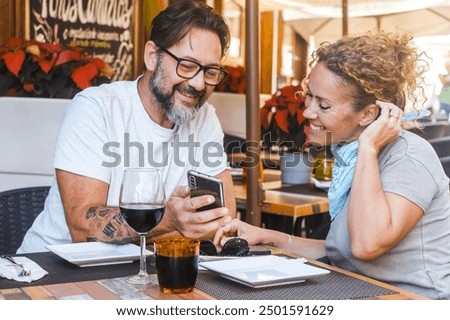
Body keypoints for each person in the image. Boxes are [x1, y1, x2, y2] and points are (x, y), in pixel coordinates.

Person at [213, 32, 450, 299]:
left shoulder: (408, 157)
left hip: (415, 303)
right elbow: (342, 253)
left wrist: (368, 149)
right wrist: (265, 235)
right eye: (309, 96)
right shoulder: (349, 155)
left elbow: (365, 246)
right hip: (361, 291)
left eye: (324, 105)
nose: (308, 112)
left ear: (368, 114)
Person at [18, 0, 236, 253]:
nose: (198, 84)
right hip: (51, 270)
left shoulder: (204, 116)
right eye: (186, 66)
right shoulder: (96, 108)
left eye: (211, 72)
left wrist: (178, 226)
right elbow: (82, 228)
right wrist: (170, 220)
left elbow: (221, 220)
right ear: (152, 56)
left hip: (141, 270)